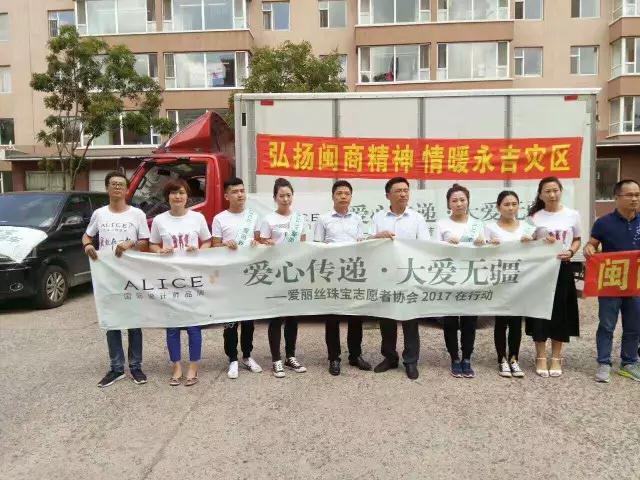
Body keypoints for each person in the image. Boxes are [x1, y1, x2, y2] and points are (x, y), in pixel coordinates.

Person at [82, 171, 150, 388]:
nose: (117, 187)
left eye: (121, 184)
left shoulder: (137, 214)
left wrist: (131, 243)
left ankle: (136, 366)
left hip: (131, 273)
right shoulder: (100, 214)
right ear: (107, 188)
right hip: (107, 274)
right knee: (112, 320)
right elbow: (87, 235)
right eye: (113, 184)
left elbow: (145, 242)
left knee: (133, 321)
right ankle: (116, 368)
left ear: (127, 189)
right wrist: (88, 245)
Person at [485, 190, 556, 378]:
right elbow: (481, 250)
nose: (511, 208)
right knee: (501, 322)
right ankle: (501, 359)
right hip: (500, 281)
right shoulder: (490, 227)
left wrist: (540, 240)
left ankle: (514, 358)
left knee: (516, 322)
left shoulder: (527, 227)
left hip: (521, 282)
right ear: (498, 207)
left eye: (514, 204)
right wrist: (489, 244)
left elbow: (542, 240)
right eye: (506, 204)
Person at [149, 179, 212, 387]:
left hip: (192, 277)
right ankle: (176, 366)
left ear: (187, 196)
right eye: (174, 193)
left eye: (182, 193)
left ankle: (193, 366)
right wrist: (160, 251)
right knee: (172, 326)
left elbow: (208, 241)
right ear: (167, 196)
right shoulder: (159, 220)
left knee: (194, 326)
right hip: (170, 279)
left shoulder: (197, 217)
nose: (178, 196)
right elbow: (152, 244)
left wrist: (199, 250)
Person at [371, 177, 429, 380]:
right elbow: (367, 243)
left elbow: (426, 246)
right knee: (386, 318)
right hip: (385, 275)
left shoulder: (417, 218)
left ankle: (411, 361)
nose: (403, 194)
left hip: (409, 275)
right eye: (398, 191)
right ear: (388, 195)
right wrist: (376, 237)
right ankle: (390, 357)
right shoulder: (378, 218)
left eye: (406, 190)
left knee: (410, 319)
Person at [584, 179, 640, 383]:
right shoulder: (603, 223)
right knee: (607, 325)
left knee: (634, 324)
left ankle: (629, 363)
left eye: (637, 195)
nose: (634, 199)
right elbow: (591, 244)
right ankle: (604, 363)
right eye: (630, 195)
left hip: (636, 284)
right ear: (617, 197)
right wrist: (589, 249)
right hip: (611, 282)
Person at [525, 176, 581, 378]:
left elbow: (577, 239)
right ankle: (540, 355)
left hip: (563, 268)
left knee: (560, 312)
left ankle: (556, 357)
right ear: (540, 195)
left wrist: (571, 252)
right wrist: (539, 242)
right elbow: (527, 243)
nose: (552, 194)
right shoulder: (534, 217)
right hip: (540, 270)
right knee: (539, 312)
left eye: (555, 190)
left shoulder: (572, 215)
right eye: (547, 191)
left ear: (561, 191)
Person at [314, 180, 372, 376]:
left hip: (352, 272)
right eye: (339, 193)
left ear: (351, 197)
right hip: (332, 274)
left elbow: (361, 244)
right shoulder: (323, 219)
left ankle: (355, 355)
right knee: (332, 318)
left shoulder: (357, 219)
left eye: (347, 193)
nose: (343, 196)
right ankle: (334, 357)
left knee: (355, 317)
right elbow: (317, 246)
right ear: (333, 196)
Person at [212, 177, 263, 379]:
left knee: (249, 321)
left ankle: (247, 356)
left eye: (242, 191)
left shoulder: (254, 217)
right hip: (229, 277)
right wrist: (225, 245)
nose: (240, 194)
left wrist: (257, 243)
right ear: (226, 196)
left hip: (249, 276)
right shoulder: (219, 219)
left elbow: (260, 242)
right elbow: (214, 247)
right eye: (235, 191)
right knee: (231, 322)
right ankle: (232, 358)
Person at [434, 184, 485, 379]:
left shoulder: (478, 224)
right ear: (448, 204)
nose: (459, 203)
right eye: (454, 200)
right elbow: (432, 250)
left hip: (471, 276)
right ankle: (454, 357)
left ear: (468, 201)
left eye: (462, 200)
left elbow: (488, 252)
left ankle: (467, 358)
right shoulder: (441, 224)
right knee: (450, 319)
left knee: (469, 320)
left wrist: (482, 244)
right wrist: (445, 244)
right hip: (449, 277)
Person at [259, 178, 308, 378]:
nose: (285, 199)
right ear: (275, 197)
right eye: (281, 196)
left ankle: (290, 356)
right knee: (276, 317)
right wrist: (266, 244)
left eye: (288, 195)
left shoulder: (299, 219)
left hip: (293, 274)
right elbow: (261, 247)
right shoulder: (268, 219)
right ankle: (276, 359)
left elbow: (303, 245)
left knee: (292, 317)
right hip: (275, 273)